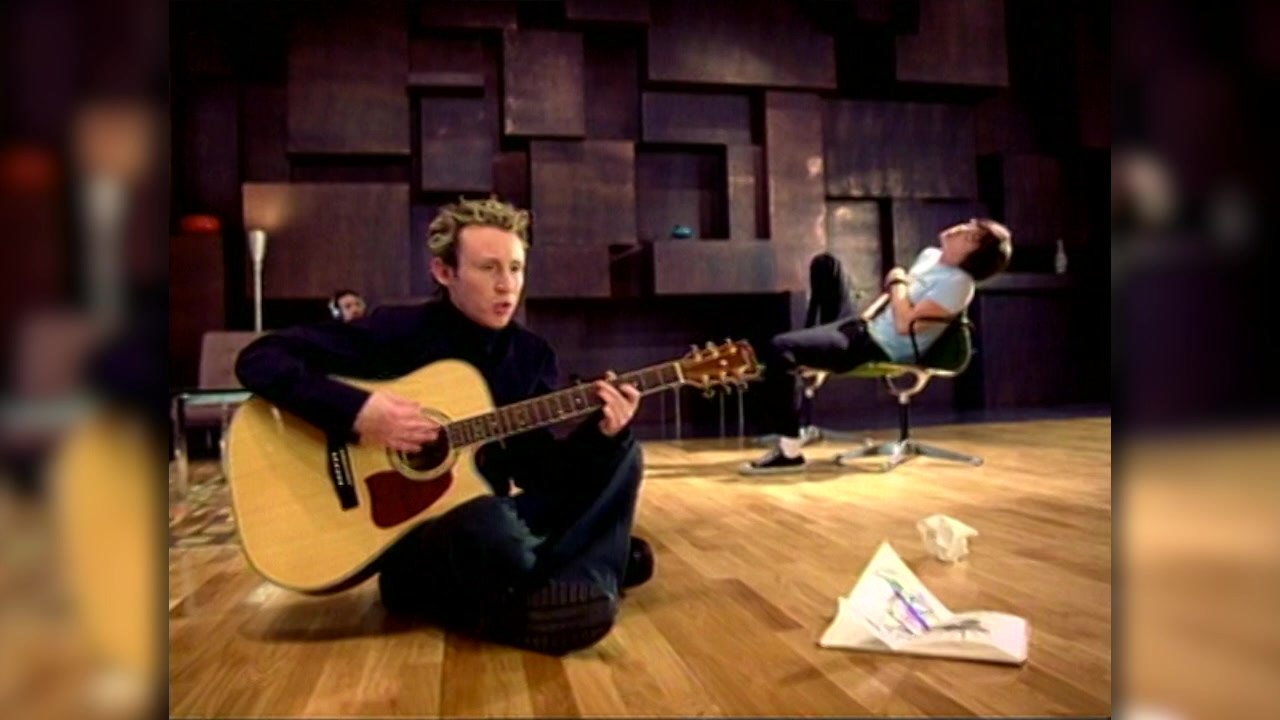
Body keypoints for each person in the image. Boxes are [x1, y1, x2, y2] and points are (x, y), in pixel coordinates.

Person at [234, 197, 654, 654]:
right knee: (491, 525)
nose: (506, 285)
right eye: (488, 268)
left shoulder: (532, 355)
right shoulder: (398, 331)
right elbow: (260, 358)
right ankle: (580, 577)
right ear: (443, 271)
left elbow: (538, 472)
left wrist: (602, 434)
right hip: (429, 537)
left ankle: (550, 585)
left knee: (624, 454)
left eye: (515, 268)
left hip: (489, 520)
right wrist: (358, 412)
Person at [741, 218, 1013, 475]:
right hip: (863, 328)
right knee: (827, 265)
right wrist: (867, 314)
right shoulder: (930, 255)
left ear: (975, 256)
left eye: (970, 236)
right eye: (968, 225)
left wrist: (897, 280)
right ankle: (811, 354)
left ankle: (789, 453)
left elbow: (904, 324)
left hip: (879, 346)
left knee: (781, 347)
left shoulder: (958, 284)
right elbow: (890, 298)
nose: (960, 229)